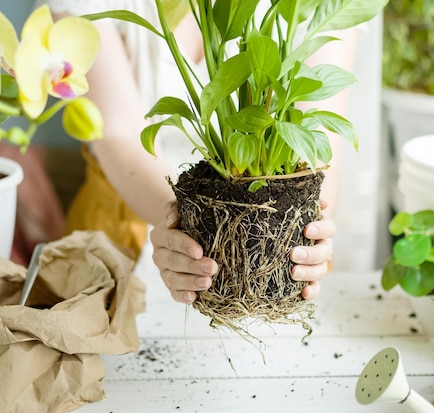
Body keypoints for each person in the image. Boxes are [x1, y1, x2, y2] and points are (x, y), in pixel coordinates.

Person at [38, 0, 354, 304]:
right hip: (120, 228)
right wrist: (182, 221)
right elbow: (118, 133)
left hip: (273, 241)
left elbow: (316, 147)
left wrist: (307, 224)